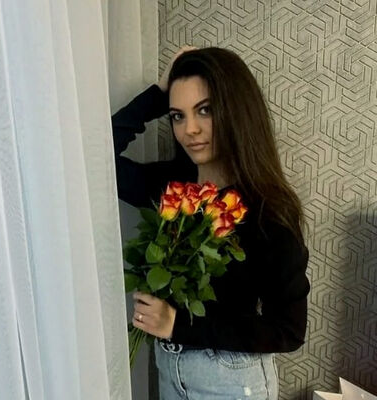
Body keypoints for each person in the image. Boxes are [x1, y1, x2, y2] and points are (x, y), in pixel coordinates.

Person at [112, 46, 310, 399]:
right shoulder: (174, 189)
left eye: (204, 110)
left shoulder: (267, 211)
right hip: (170, 370)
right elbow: (97, 158)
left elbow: (288, 330)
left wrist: (178, 325)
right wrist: (158, 94)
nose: (190, 129)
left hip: (229, 381)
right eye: (177, 115)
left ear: (236, 109)